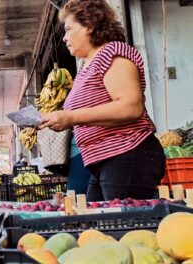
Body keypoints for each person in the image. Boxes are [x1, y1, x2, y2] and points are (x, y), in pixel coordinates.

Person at [37, 0, 165, 201]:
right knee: (100, 227)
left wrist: (70, 117)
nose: (65, 38)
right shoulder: (86, 66)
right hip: (102, 161)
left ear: (89, 26)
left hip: (126, 153)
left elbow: (131, 106)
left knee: (125, 227)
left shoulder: (112, 52)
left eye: (69, 29)